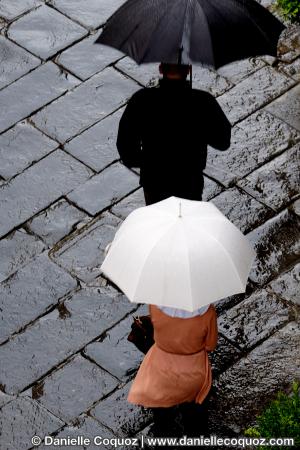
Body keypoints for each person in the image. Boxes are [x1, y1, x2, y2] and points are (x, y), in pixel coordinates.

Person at [116, 63, 231, 205]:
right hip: (190, 181)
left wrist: (149, 162)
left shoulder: (142, 99)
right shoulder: (203, 101)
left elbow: (126, 149)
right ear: (188, 70)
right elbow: (223, 142)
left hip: (154, 181)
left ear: (161, 69)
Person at [127, 302, 218, 441]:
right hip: (192, 372)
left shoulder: (157, 306)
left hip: (161, 369)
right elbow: (210, 345)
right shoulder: (208, 311)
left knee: (162, 415)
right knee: (194, 418)